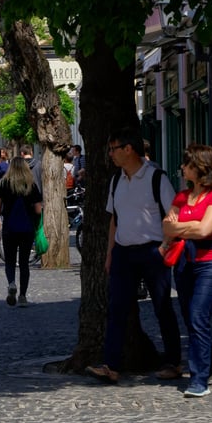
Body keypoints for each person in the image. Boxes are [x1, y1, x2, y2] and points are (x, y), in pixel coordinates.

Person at [88, 129, 181, 383]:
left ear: (128, 149)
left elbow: (173, 214)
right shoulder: (116, 180)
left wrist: (164, 247)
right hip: (123, 252)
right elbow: (114, 221)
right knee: (116, 308)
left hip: (152, 250)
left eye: (113, 149)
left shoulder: (156, 178)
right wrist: (110, 254)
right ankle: (111, 365)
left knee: (163, 305)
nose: (110, 155)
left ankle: (173, 361)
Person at [161, 144, 212, 397]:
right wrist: (190, 226)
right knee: (189, 317)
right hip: (185, 263)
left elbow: (205, 230)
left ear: (200, 167)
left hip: (211, 261)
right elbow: (167, 227)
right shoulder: (181, 196)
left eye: (187, 164)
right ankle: (208, 364)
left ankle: (199, 379)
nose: (182, 168)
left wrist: (182, 227)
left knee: (198, 315)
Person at [0, 156, 43, 306]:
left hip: (9, 228)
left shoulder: (3, 184)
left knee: (9, 261)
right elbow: (39, 210)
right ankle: (22, 296)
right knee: (24, 263)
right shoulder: (31, 185)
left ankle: (11, 283)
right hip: (27, 229)